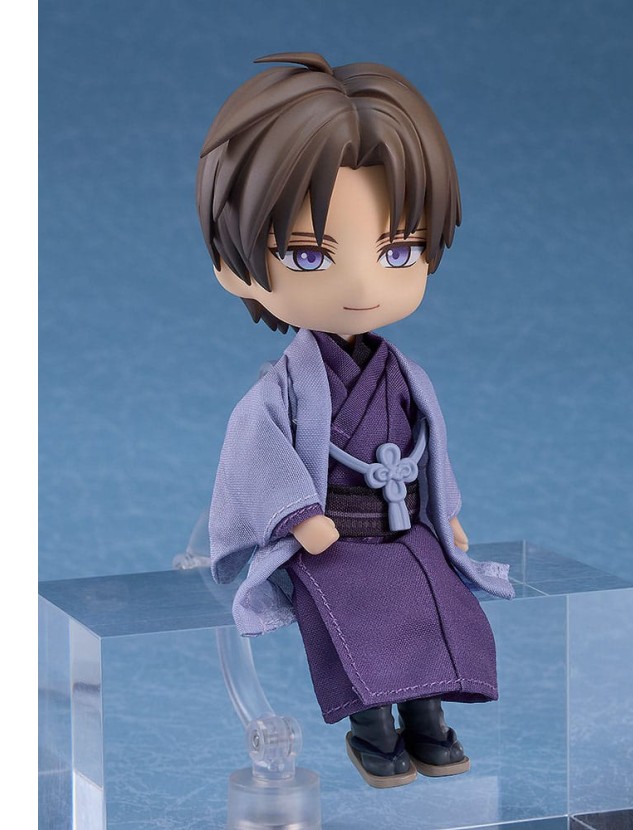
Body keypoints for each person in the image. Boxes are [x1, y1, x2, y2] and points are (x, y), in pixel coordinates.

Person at [196, 52, 514, 788]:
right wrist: (299, 514)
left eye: (398, 250)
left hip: (405, 528)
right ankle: (374, 732)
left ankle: (429, 722)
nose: (364, 284)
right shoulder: (282, 391)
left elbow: (428, 442)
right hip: (334, 538)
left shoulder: (406, 375)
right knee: (359, 623)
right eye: (311, 257)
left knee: (441, 609)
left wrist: (446, 511)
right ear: (236, 267)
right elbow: (254, 448)